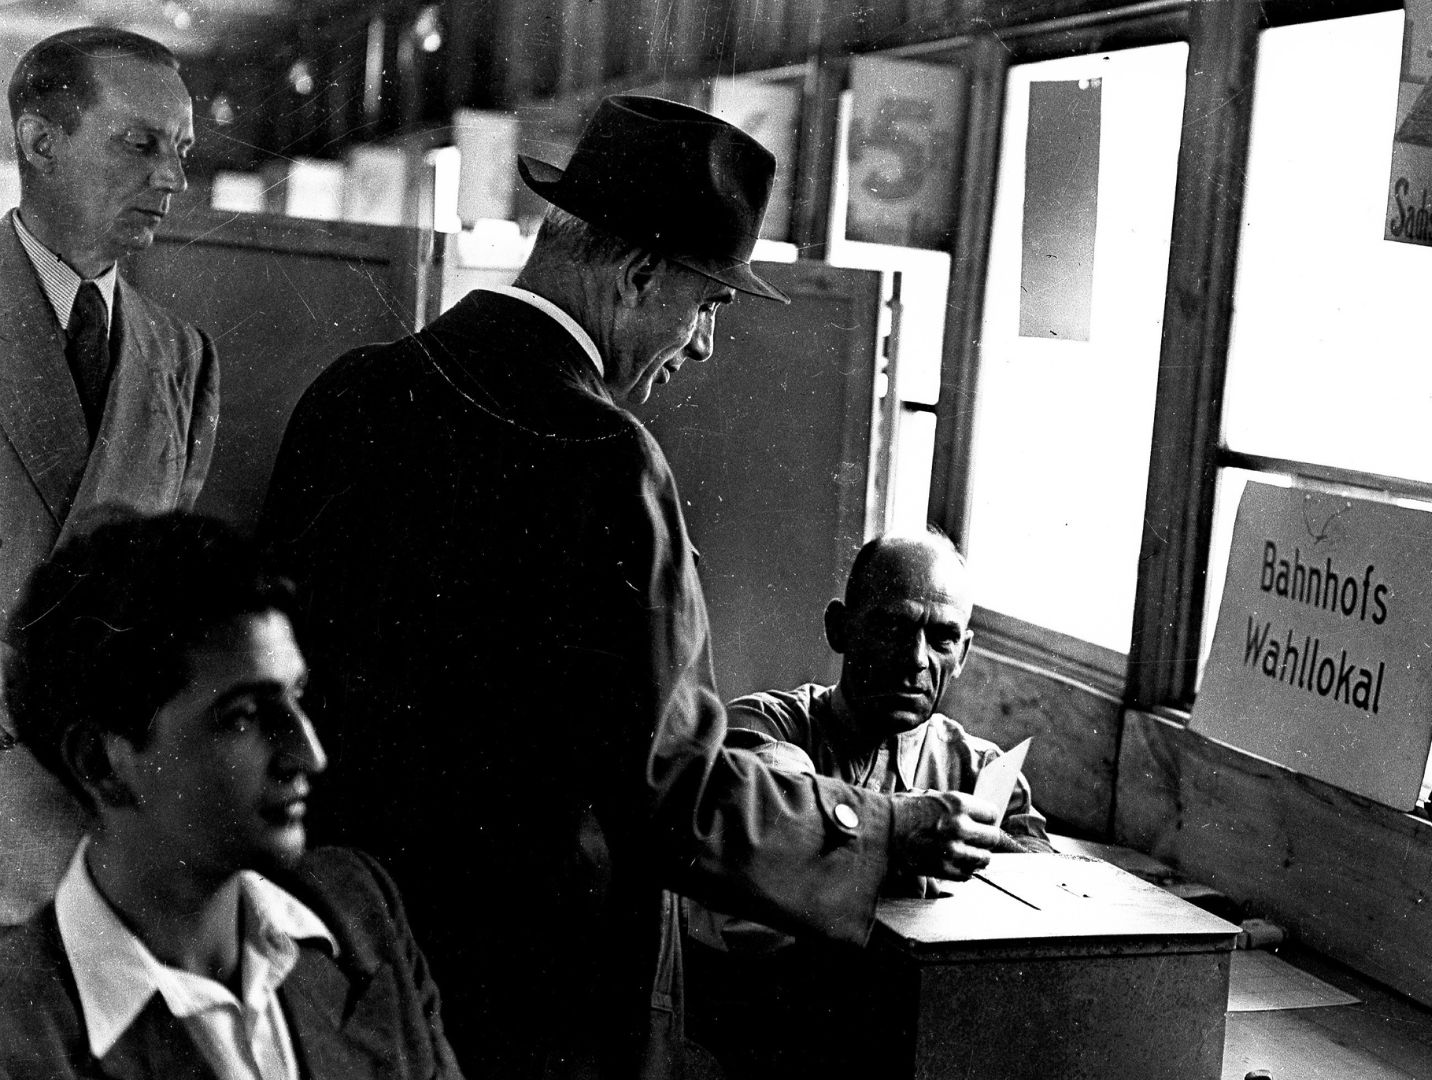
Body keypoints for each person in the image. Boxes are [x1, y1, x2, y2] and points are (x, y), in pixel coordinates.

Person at [256, 95, 1012, 1079]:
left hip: (340, 949)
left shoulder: (357, 386)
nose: (701, 345)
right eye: (707, 306)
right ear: (638, 273)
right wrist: (881, 828)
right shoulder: (610, 465)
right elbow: (673, 792)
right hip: (532, 996)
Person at [0, 511, 460, 1080]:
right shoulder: (20, 1040)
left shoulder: (358, 910)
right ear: (101, 763)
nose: (309, 755)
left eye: (296, 698)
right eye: (243, 715)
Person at [683, 529, 1050, 1077]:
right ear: (840, 627)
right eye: (891, 626)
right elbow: (777, 824)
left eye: (942, 638)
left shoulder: (983, 772)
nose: (915, 659)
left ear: (965, 652)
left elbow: (1051, 915)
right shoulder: (762, 730)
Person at [0, 26, 221, 926]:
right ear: (39, 141)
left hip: (101, 824)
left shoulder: (180, 359)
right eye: (139, 142)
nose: (170, 176)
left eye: (183, 151)